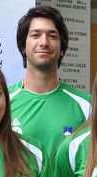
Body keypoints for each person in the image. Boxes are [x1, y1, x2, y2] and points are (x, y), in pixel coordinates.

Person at [10, 5, 91, 158]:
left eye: (52, 36)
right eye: (35, 35)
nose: (44, 42)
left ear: (61, 49)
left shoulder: (87, 105)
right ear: (23, 47)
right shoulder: (1, 102)